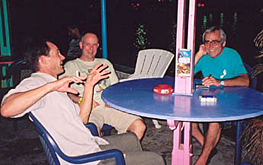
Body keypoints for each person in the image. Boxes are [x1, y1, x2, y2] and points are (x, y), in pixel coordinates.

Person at [0, 39, 165, 165]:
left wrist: (89, 86)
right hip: (84, 158)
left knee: (132, 139)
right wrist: (51, 86)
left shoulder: (52, 84)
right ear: (43, 60)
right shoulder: (36, 82)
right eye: (57, 53)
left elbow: (82, 119)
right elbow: (6, 109)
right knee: (156, 159)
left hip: (89, 143)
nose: (62, 57)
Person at [59, 33, 146, 140]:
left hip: (109, 107)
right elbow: (62, 92)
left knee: (139, 126)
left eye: (94, 45)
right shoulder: (71, 66)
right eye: (88, 44)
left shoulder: (105, 63)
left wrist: (114, 101)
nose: (91, 48)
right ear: (81, 45)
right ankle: (103, 155)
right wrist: (79, 100)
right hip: (88, 111)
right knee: (90, 133)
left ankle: (122, 154)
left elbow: (116, 88)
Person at [193, 26, 249, 165]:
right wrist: (198, 55)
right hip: (208, 98)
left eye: (215, 42)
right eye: (207, 42)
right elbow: (183, 74)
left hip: (229, 101)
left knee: (214, 121)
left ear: (223, 43)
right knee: (185, 118)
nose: (210, 45)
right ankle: (209, 148)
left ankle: (202, 159)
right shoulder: (204, 56)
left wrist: (220, 82)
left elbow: (245, 81)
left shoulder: (232, 55)